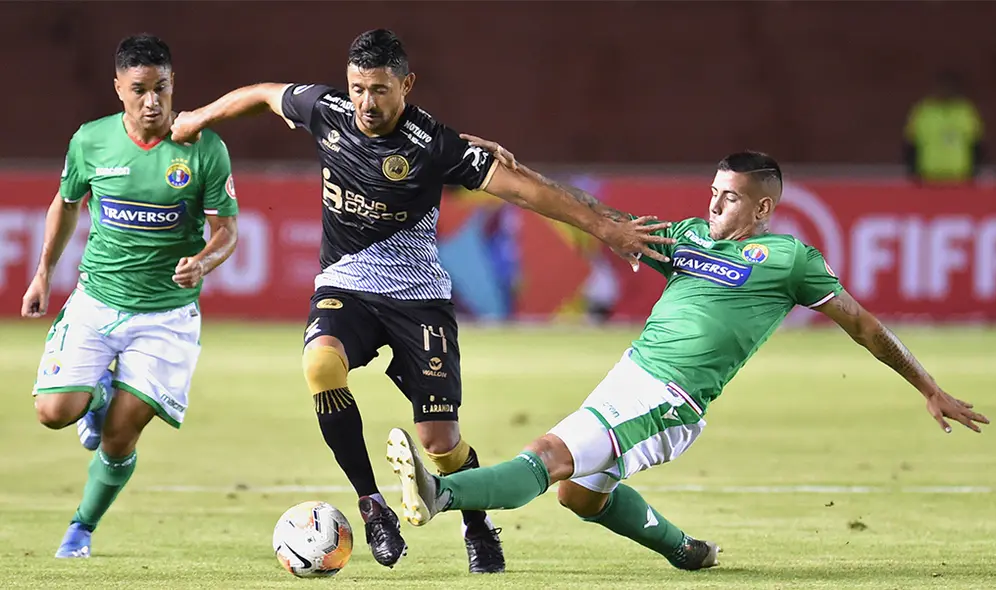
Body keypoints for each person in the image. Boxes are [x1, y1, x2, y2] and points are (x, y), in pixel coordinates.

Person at [168, 28, 672, 573]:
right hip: (345, 285)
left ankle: (477, 524)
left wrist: (605, 228)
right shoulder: (326, 110)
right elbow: (264, 94)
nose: (366, 102)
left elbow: (529, 191)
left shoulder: (436, 145)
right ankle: (372, 506)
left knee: (441, 443)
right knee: (319, 364)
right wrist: (197, 118)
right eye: (358, 88)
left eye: (380, 90)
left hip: (418, 300)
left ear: (406, 85)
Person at [385, 149, 990, 571]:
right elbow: (602, 216)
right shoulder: (688, 239)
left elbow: (863, 324)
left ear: (762, 210)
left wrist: (928, 386)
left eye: (730, 198)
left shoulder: (790, 260)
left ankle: (441, 493)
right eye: (713, 192)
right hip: (629, 376)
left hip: (671, 398)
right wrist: (517, 173)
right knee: (579, 497)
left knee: (549, 456)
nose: (714, 204)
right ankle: (686, 551)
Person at [21, 34, 240, 558]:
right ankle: (95, 394)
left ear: (173, 84)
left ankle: (81, 528)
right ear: (118, 88)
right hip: (97, 301)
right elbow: (66, 203)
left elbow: (227, 231)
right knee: (53, 412)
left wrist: (203, 261)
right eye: (139, 89)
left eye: (160, 88)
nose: (152, 101)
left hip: (167, 317)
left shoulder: (204, 148)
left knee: (120, 437)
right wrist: (43, 273)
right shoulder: (91, 141)